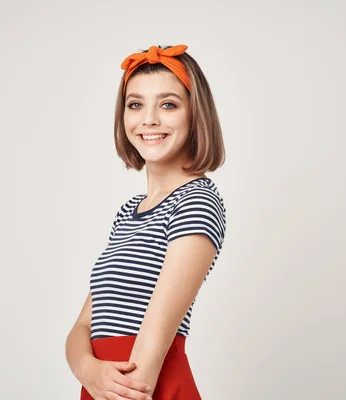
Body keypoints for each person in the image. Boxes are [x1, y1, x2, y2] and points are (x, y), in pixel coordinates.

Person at [65, 44, 227, 400]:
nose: (149, 119)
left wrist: (106, 382)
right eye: (135, 104)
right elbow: (82, 327)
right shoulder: (128, 212)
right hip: (102, 387)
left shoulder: (196, 201)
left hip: (140, 389)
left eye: (168, 104)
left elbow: (150, 352)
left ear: (194, 115)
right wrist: (89, 370)